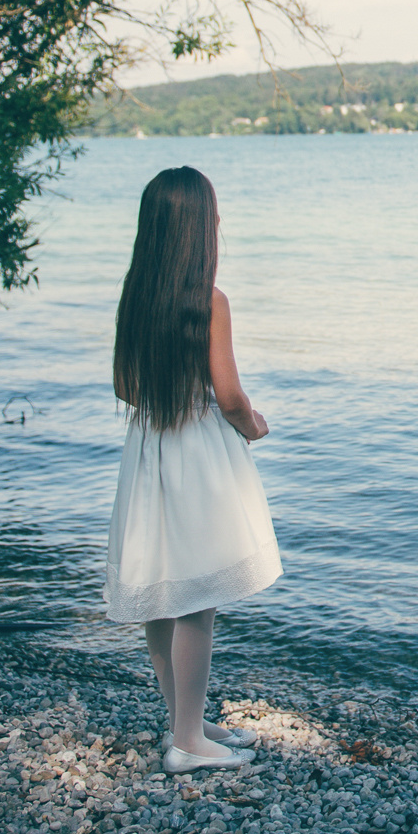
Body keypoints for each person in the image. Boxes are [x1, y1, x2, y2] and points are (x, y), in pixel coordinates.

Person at [104, 166, 282, 773]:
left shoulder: (136, 297)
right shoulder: (209, 302)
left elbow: (124, 385)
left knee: (164, 592)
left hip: (149, 450)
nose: (220, 221)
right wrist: (253, 425)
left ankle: (186, 720)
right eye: (214, 213)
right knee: (198, 599)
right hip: (195, 452)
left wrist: (165, 396)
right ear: (197, 229)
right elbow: (229, 396)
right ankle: (187, 744)